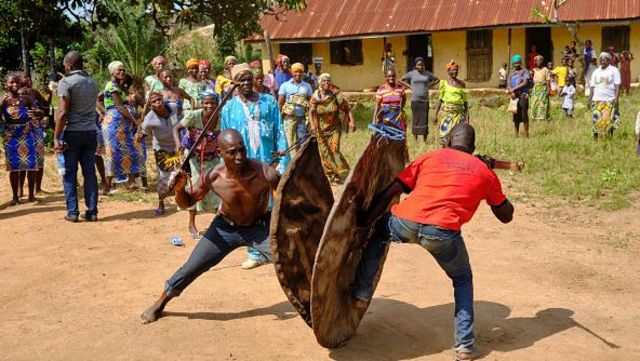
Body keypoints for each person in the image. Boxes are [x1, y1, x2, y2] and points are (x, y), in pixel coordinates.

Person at [351, 123, 514, 361]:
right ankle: (465, 346)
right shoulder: (484, 172)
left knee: (380, 232)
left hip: (404, 223)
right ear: (474, 147)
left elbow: (390, 191)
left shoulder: (430, 157)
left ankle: (361, 294)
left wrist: (364, 223)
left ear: (448, 141)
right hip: (443, 234)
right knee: (462, 279)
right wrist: (489, 175)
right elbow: (505, 216)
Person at [139, 129, 281, 324]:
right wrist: (180, 189)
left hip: (259, 227)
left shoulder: (264, 173)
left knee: (290, 262)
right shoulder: (213, 176)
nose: (239, 157)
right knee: (191, 267)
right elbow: (187, 203)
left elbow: (288, 198)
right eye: (232, 152)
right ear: (221, 153)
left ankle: (313, 302)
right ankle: (161, 302)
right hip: (224, 229)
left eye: (242, 150)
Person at [219, 63, 290, 270]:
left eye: (249, 78)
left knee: (274, 205)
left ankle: (277, 247)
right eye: (241, 79)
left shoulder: (269, 102)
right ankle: (256, 252)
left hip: (268, 162)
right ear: (235, 83)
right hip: (243, 166)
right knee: (250, 207)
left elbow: (280, 131)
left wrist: (282, 160)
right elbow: (224, 140)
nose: (246, 83)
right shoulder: (229, 108)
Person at [54, 51, 100, 221]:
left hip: (72, 133)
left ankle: (73, 212)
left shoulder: (65, 83)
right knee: (90, 173)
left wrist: (56, 136)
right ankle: (92, 212)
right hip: (90, 132)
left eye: (65, 64)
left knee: (70, 173)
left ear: (69, 65)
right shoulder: (93, 83)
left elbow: (63, 112)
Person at [173, 90, 221, 239]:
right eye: (206, 103)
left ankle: (218, 225)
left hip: (212, 158)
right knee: (194, 189)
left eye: (212, 103)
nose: (209, 106)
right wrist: (178, 145)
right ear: (201, 103)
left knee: (216, 190)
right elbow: (176, 128)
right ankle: (191, 224)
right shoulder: (193, 116)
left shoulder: (221, 117)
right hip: (194, 159)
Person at [101, 61, 145, 192]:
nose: (122, 72)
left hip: (123, 126)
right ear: (112, 72)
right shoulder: (111, 86)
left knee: (130, 151)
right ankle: (107, 187)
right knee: (112, 154)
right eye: (118, 70)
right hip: (113, 126)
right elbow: (119, 107)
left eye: (123, 70)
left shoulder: (120, 87)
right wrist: (133, 119)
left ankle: (131, 182)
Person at [1, 72, 43, 205]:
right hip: (11, 136)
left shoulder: (26, 99)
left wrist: (37, 113)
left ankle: (31, 195)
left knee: (30, 165)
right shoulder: (3, 101)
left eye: (17, 82)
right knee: (13, 167)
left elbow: (40, 113)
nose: (14, 84)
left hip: (27, 134)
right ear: (5, 85)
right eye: (11, 82)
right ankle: (15, 197)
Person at [309, 73, 356, 184]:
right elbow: (311, 112)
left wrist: (352, 122)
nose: (327, 83)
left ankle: (343, 172)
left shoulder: (336, 95)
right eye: (324, 81)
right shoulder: (315, 97)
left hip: (335, 127)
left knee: (334, 149)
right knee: (325, 153)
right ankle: (331, 175)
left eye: (328, 80)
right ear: (320, 83)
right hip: (321, 129)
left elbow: (347, 108)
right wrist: (312, 125)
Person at [138, 91, 180, 215]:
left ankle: (181, 200)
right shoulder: (149, 119)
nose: (158, 103)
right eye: (154, 102)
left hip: (177, 146)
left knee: (181, 174)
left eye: (159, 99)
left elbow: (182, 116)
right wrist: (138, 136)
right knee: (163, 177)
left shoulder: (173, 107)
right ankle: (161, 203)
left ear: (162, 99)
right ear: (150, 105)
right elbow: (142, 136)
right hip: (162, 149)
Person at [18, 72, 51, 195]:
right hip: (23, 130)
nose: (28, 79)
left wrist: (50, 93)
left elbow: (46, 106)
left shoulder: (34, 92)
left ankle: (38, 188)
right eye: (25, 77)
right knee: (24, 159)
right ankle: (20, 189)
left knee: (39, 157)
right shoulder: (17, 95)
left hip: (37, 129)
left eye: (29, 77)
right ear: (18, 81)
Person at [400, 57, 439, 142]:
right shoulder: (411, 74)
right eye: (418, 65)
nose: (420, 66)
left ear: (423, 65)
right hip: (415, 100)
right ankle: (416, 139)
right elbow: (401, 80)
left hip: (425, 100)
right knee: (416, 119)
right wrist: (410, 86)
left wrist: (429, 85)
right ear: (416, 66)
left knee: (424, 119)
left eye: (421, 65)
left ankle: (425, 139)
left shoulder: (427, 74)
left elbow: (437, 79)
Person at [278, 62, 313, 154]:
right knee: (290, 142)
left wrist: (311, 119)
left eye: (300, 71)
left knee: (303, 141)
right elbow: (280, 104)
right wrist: (280, 118)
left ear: (303, 73)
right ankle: (291, 164)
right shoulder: (285, 86)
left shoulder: (307, 86)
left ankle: (301, 162)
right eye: (296, 71)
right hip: (288, 119)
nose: (298, 74)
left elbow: (311, 104)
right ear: (292, 72)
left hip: (302, 118)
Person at [588, 52, 621, 140]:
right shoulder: (596, 71)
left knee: (606, 120)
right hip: (597, 101)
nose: (603, 61)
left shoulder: (613, 70)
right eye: (601, 60)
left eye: (605, 59)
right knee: (595, 120)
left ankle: (606, 139)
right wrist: (589, 99)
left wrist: (616, 99)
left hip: (609, 100)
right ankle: (595, 139)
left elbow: (617, 85)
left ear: (609, 60)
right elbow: (592, 86)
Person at [434, 61, 468, 145]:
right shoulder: (444, 84)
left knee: (457, 136)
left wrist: (467, 115)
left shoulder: (462, 84)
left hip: (459, 115)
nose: (455, 72)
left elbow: (465, 101)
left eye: (456, 70)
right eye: (452, 70)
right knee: (445, 136)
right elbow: (440, 100)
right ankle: (445, 152)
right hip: (447, 115)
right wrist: (435, 115)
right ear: (448, 71)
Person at [507, 54, 530, 138]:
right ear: (513, 63)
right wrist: (511, 91)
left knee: (524, 114)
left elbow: (525, 82)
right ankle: (516, 134)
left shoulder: (525, 71)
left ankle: (526, 134)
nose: (516, 65)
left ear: (521, 63)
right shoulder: (511, 72)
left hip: (523, 96)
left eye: (518, 63)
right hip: (514, 97)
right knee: (515, 115)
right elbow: (508, 83)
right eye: (515, 63)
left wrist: (514, 89)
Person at [529, 55, 551, 122]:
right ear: (535, 62)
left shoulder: (545, 69)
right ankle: (534, 117)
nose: (539, 62)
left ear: (543, 61)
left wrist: (548, 89)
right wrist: (530, 89)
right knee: (534, 103)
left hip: (543, 89)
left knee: (543, 103)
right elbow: (530, 81)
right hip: (535, 89)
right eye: (537, 60)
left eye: (540, 60)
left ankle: (542, 117)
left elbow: (548, 80)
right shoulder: (533, 70)